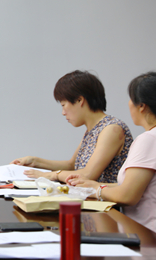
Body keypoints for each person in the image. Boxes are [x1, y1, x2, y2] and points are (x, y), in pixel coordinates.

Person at [68, 72, 156, 232]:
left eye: (131, 99)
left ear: (142, 106)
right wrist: (95, 185)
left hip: (146, 234)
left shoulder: (149, 139)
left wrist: (96, 190)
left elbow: (127, 195)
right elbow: (138, 186)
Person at [13, 71, 132, 184]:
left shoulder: (111, 129)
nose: (63, 112)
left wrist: (51, 175)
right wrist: (34, 161)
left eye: (63, 105)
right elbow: (72, 166)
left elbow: (88, 174)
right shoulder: (93, 130)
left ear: (80, 100)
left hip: (105, 199)